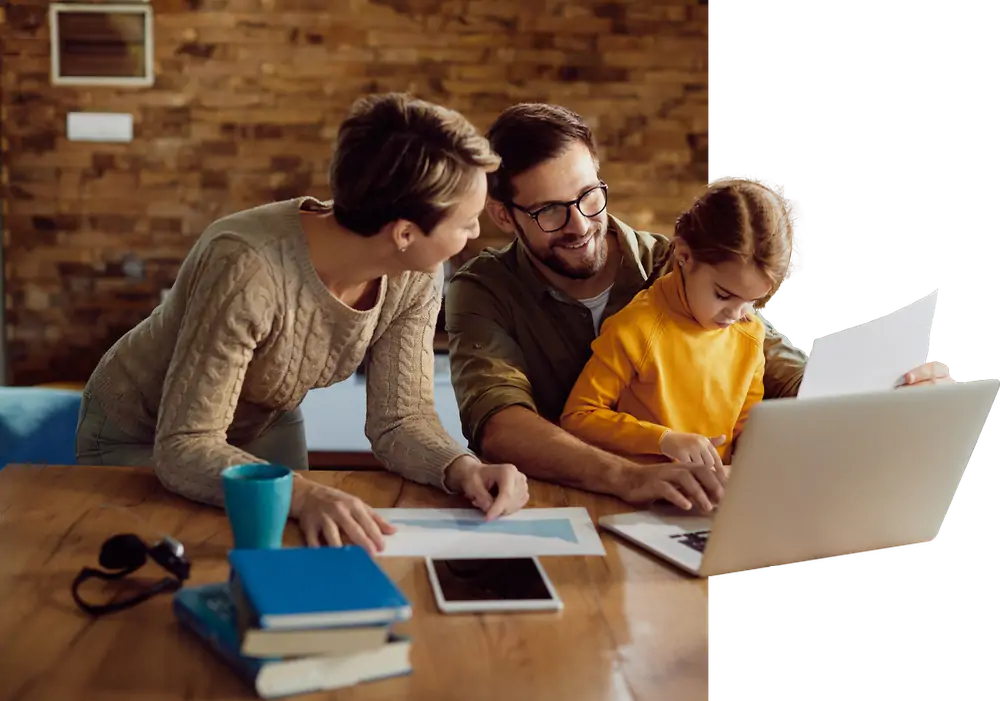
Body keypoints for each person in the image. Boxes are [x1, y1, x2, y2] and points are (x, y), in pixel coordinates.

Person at [445, 102, 955, 513]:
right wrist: (630, 476)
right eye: (549, 211)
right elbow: (500, 423)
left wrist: (883, 394)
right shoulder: (482, 289)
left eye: (589, 196)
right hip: (548, 508)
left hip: (691, 505)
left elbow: (780, 370)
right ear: (503, 216)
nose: (580, 224)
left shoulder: (677, 264)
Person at [76, 93, 530, 553]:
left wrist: (463, 468)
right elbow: (185, 444)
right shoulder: (247, 265)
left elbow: (400, 418)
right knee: (188, 566)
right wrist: (305, 493)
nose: (477, 233)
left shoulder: (414, 270)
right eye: (469, 221)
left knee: (296, 557)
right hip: (148, 431)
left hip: (264, 420)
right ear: (405, 233)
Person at [560, 174, 804, 486]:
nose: (737, 314)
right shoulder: (635, 328)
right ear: (684, 256)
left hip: (718, 498)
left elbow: (746, 427)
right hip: (645, 498)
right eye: (723, 295)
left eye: (753, 301)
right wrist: (664, 439)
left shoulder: (749, 333)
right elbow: (578, 417)